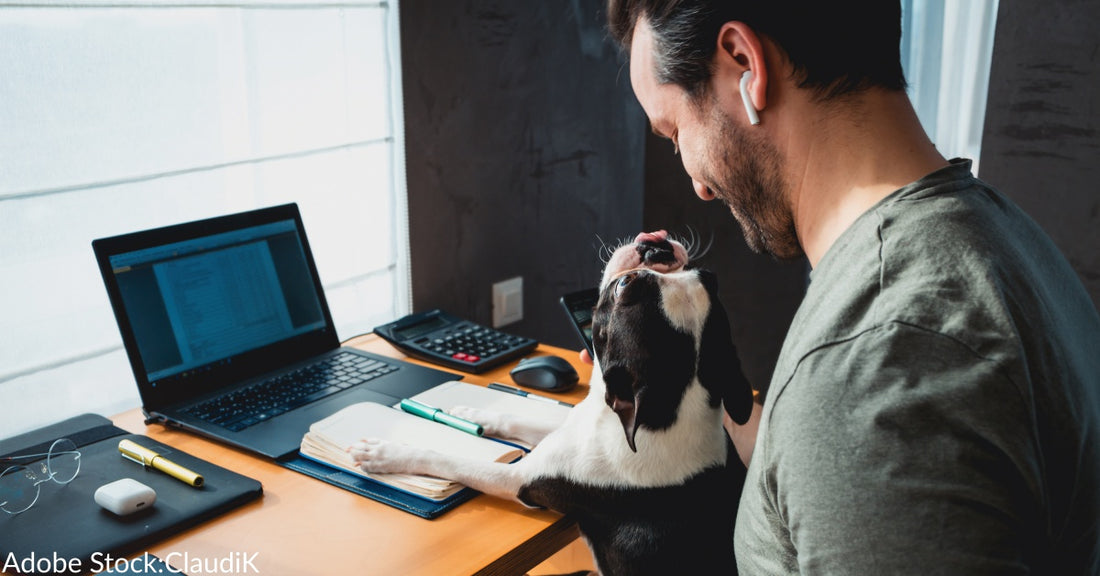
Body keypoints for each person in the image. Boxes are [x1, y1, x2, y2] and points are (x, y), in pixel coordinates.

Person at [602, 0, 1100, 573]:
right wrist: (697, 380)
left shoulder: (879, 358)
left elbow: (857, 418)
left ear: (745, 63)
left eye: (675, 131)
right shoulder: (1002, 238)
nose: (697, 185)